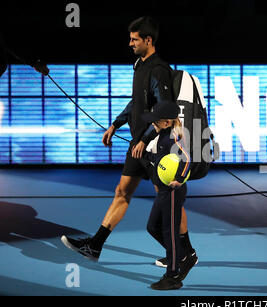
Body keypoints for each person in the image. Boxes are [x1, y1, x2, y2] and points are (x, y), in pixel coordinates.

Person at [61, 17, 197, 270]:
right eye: (130, 39)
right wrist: (116, 124)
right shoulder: (140, 65)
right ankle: (95, 246)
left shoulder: (159, 69)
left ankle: (186, 252)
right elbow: (137, 103)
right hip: (138, 144)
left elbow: (165, 112)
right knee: (122, 192)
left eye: (135, 39)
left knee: (168, 199)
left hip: (156, 147)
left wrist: (146, 139)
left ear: (148, 40)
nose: (130, 43)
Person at [144, 100, 194, 290]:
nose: (152, 124)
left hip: (173, 190)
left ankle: (173, 277)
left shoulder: (170, 138)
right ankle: (181, 255)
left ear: (166, 122)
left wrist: (179, 179)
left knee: (169, 232)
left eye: (155, 121)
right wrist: (145, 156)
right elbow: (160, 160)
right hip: (164, 190)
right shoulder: (163, 135)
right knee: (152, 226)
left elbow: (187, 159)